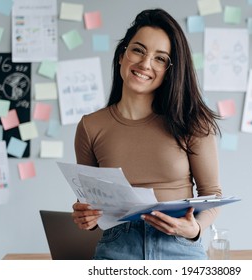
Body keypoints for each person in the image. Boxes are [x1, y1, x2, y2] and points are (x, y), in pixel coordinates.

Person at [71, 8, 222, 260]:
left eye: (160, 58)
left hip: (179, 247)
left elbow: (213, 194)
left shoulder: (192, 122)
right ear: (122, 55)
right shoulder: (90, 127)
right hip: (117, 249)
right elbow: (91, 204)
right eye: (138, 50)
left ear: (169, 71)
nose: (145, 64)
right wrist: (85, 217)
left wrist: (195, 229)